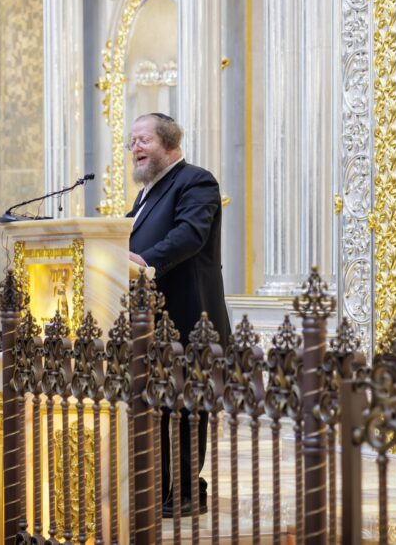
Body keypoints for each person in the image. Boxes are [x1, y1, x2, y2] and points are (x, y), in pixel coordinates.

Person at [126, 112, 230, 517]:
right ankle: (162, 489)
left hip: (191, 319)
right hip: (154, 322)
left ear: (168, 144)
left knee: (189, 407)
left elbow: (189, 234)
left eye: (143, 140)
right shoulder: (146, 194)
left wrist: (145, 261)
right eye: (132, 141)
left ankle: (188, 491)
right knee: (162, 406)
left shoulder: (196, 181)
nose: (134, 148)